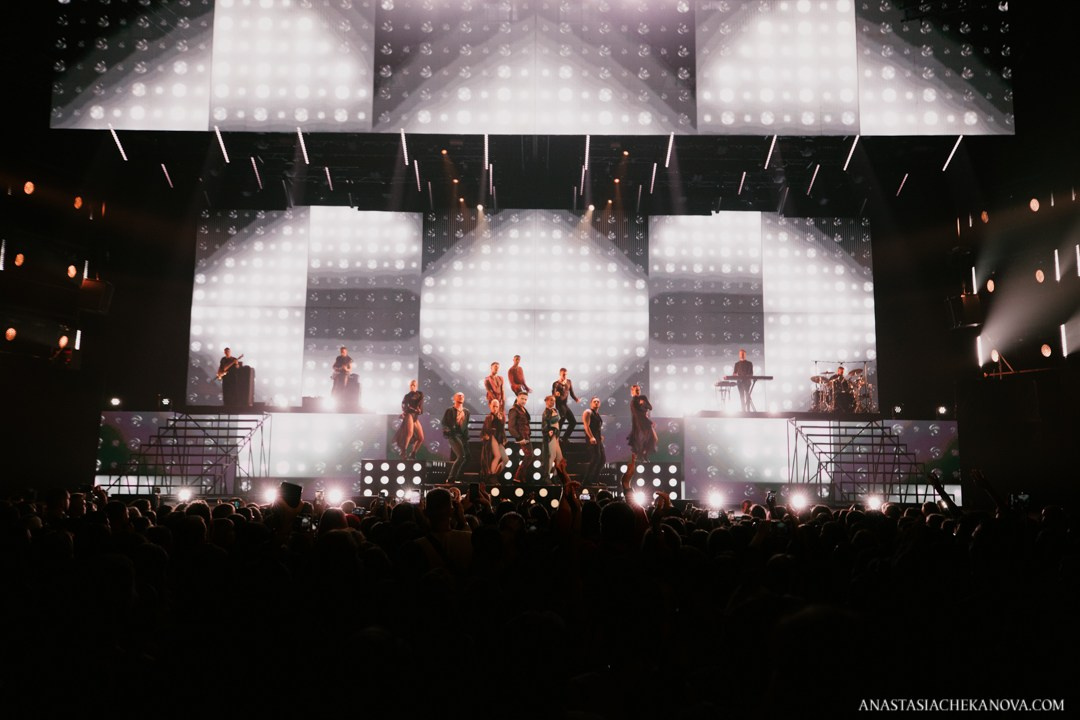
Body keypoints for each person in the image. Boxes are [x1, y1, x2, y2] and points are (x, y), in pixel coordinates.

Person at [441, 392, 470, 481]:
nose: (461, 397)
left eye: (462, 396)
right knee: (461, 456)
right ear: (454, 398)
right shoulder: (450, 410)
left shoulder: (466, 412)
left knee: (468, 457)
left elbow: (465, 426)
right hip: (453, 435)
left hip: (462, 436)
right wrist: (447, 430)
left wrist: (466, 437)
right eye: (459, 395)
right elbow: (444, 423)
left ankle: (458, 476)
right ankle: (451, 478)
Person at [394, 379, 424, 459]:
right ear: (409, 386)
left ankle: (413, 453)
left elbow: (420, 406)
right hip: (409, 414)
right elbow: (404, 406)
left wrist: (419, 410)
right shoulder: (407, 396)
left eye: (414, 385)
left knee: (421, 438)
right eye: (411, 385)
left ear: (416, 386)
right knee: (409, 433)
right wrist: (405, 411)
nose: (412, 386)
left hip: (415, 416)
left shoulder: (420, 394)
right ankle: (403, 452)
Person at [627, 384, 657, 460]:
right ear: (632, 391)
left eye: (639, 390)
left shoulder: (643, 397)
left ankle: (644, 455)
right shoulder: (633, 402)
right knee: (641, 441)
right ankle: (641, 457)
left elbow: (650, 407)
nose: (638, 391)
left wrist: (644, 403)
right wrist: (641, 406)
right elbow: (637, 415)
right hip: (639, 424)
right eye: (636, 390)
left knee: (653, 439)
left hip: (646, 422)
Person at [507, 392, 532, 483]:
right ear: (517, 398)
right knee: (529, 455)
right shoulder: (514, 410)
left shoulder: (522, 408)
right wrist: (519, 438)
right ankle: (518, 477)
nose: (524, 401)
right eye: (522, 398)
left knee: (529, 456)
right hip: (522, 437)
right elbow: (511, 427)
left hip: (526, 436)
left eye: (525, 399)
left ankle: (520, 477)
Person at [551, 367, 582, 443]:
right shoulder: (556, 383)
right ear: (560, 374)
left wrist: (576, 399)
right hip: (559, 404)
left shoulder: (569, 382)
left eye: (566, 374)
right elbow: (553, 393)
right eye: (563, 374)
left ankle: (564, 438)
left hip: (565, 405)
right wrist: (555, 394)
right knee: (563, 418)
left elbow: (571, 392)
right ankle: (555, 437)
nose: (565, 376)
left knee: (573, 422)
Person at [480, 398, 507, 481]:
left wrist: (504, 438)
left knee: (506, 460)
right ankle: (492, 475)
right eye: (494, 406)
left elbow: (502, 429)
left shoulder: (501, 416)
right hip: (492, 437)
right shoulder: (489, 417)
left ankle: (494, 473)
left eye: (497, 406)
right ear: (490, 406)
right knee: (497, 456)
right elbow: (484, 430)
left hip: (499, 438)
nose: (495, 408)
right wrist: (486, 436)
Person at [582, 396, 605, 485]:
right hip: (591, 439)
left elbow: (597, 427)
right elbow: (586, 426)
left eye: (598, 402)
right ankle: (586, 480)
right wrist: (591, 437)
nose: (596, 403)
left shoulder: (597, 414)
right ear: (591, 403)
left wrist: (600, 436)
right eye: (594, 401)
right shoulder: (588, 412)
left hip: (598, 439)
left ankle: (595, 479)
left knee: (602, 459)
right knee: (595, 458)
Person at [541, 395, 563, 482]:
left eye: (553, 400)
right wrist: (549, 431)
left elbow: (557, 419)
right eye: (551, 400)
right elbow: (547, 423)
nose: (552, 402)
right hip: (551, 435)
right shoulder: (546, 412)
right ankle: (546, 477)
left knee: (559, 457)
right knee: (552, 456)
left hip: (556, 435)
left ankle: (555, 476)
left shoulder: (554, 410)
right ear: (546, 401)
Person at [732, 348, 754, 412]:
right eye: (740, 354)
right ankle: (743, 410)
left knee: (747, 395)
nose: (741, 355)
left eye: (743, 354)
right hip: (739, 382)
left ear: (745, 355)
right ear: (739, 355)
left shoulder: (749, 363)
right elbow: (734, 373)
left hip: (747, 382)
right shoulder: (737, 364)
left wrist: (747, 377)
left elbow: (751, 373)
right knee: (741, 396)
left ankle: (748, 410)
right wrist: (734, 375)